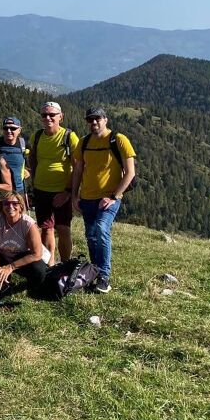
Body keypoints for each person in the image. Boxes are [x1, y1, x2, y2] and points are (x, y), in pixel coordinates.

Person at [71, 107, 136, 294]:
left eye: (97, 119)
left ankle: (104, 277)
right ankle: (94, 272)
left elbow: (130, 172)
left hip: (109, 199)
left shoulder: (119, 139)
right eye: (90, 120)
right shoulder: (84, 143)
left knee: (101, 229)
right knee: (91, 236)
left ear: (105, 119)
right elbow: (78, 171)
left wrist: (114, 196)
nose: (94, 123)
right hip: (87, 198)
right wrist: (75, 196)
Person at [28, 101, 79, 265]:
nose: (48, 118)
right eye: (44, 115)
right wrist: (35, 180)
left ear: (61, 117)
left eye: (52, 115)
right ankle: (49, 267)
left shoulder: (69, 137)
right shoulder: (36, 137)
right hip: (41, 189)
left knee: (63, 228)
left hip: (61, 190)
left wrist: (68, 192)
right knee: (46, 229)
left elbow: (77, 166)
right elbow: (33, 158)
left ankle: (65, 266)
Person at [0, 191, 49, 297]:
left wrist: (11, 267)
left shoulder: (28, 224)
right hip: (2, 256)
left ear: (21, 206)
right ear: (1, 206)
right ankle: (0, 283)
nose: (10, 206)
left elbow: (37, 254)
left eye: (15, 203)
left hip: (22, 257)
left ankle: (32, 288)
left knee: (39, 269)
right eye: (6, 203)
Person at [0, 116, 28, 205]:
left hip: (18, 191)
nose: (9, 131)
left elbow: (34, 159)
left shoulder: (23, 144)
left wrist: (27, 170)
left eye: (13, 128)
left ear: (19, 130)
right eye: (5, 128)